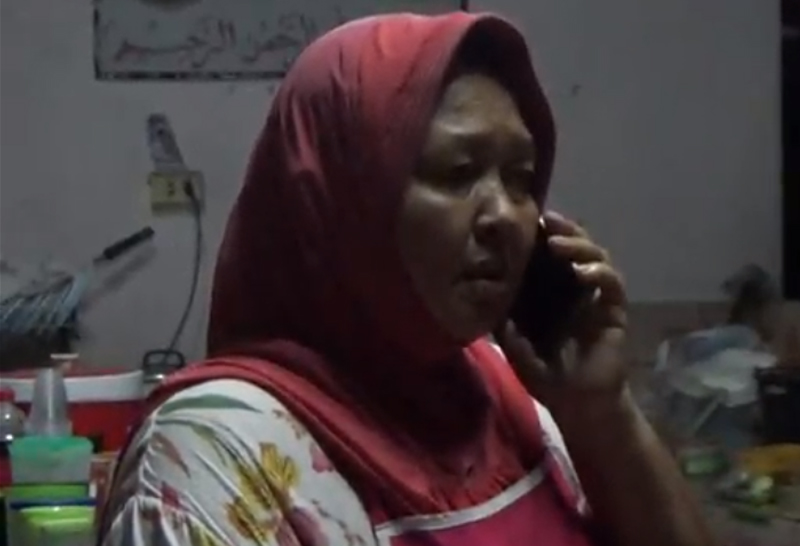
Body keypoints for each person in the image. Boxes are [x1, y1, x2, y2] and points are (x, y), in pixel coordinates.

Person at [97, 12, 715, 546]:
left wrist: (603, 414)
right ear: (339, 199)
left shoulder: (511, 390)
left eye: (522, 179)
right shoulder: (219, 454)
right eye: (458, 172)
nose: (506, 216)